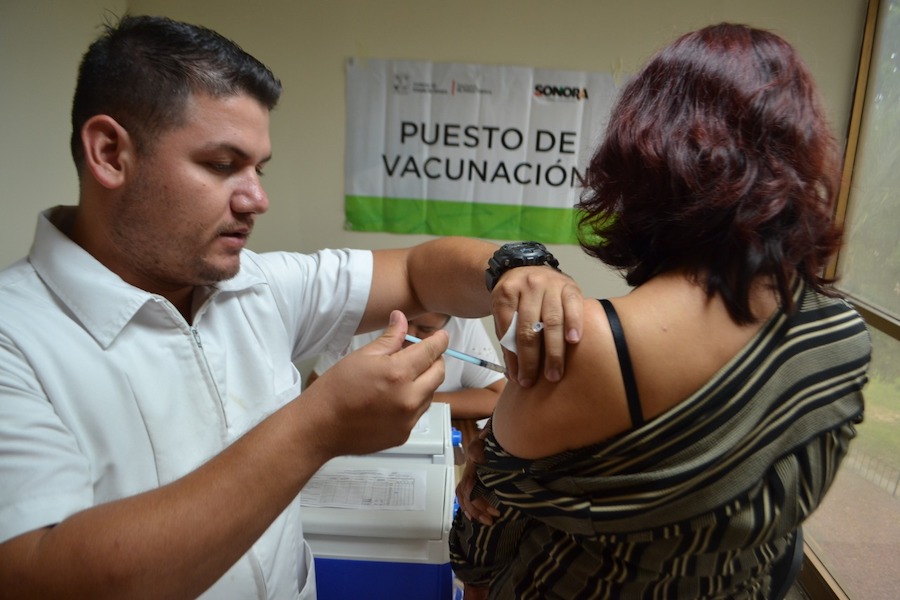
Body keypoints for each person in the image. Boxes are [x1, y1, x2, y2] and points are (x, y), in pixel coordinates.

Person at [0, 15, 585, 599]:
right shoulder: (16, 339)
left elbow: (414, 271)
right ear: (109, 153)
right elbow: (43, 575)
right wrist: (319, 426)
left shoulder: (256, 286)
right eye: (222, 164)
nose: (257, 199)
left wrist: (518, 267)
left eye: (259, 168)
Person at [449, 23, 871, 599]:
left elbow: (485, 521)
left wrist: (481, 462)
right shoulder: (842, 335)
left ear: (645, 155)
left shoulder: (590, 346)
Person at [308, 312, 505, 422]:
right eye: (406, 321)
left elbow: (497, 397)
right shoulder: (366, 321)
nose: (407, 334)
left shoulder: (465, 324)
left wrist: (418, 400)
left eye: (426, 329)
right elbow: (314, 389)